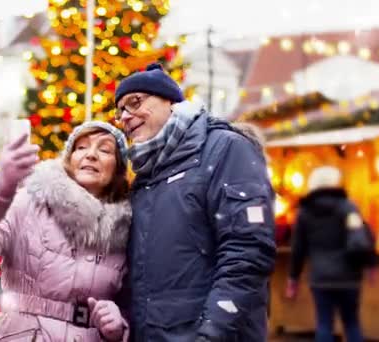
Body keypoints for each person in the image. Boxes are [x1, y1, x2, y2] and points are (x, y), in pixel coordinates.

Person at [114, 62, 276, 341]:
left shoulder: (225, 148)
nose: (126, 116)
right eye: (120, 111)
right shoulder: (144, 175)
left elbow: (247, 251)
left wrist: (213, 331)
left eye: (135, 102)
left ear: (170, 101)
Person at [0, 121, 132, 341]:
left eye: (104, 149)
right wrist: (0, 187)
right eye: (81, 147)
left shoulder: (125, 228)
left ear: (118, 168)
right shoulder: (30, 202)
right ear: (69, 160)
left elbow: (137, 300)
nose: (91, 155)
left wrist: (118, 327)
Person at [287, 166, 378, 342]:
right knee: (352, 324)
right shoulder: (348, 207)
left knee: (323, 324)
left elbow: (298, 249)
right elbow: (363, 236)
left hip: (320, 278)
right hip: (349, 276)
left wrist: (293, 279)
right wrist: (371, 264)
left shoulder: (304, 212)